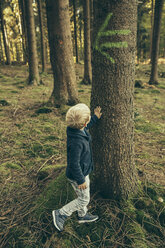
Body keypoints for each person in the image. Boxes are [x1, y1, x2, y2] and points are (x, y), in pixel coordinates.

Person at [52, 103, 102, 231]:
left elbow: (86, 127)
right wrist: (80, 180)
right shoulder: (77, 142)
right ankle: (61, 213)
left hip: (83, 172)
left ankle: (82, 215)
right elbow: (74, 164)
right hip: (77, 176)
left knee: (84, 195)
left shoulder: (76, 129)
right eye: (89, 118)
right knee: (84, 199)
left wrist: (95, 118)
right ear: (84, 123)